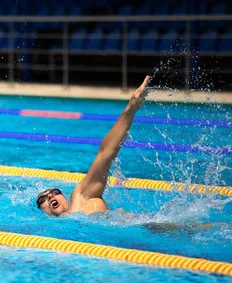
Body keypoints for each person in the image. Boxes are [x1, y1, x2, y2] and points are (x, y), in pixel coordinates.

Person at [36, 75, 150, 216]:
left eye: (55, 192)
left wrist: (130, 109)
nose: (50, 196)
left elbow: (105, 154)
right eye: (42, 199)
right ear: (43, 213)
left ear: (65, 197)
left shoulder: (81, 197)